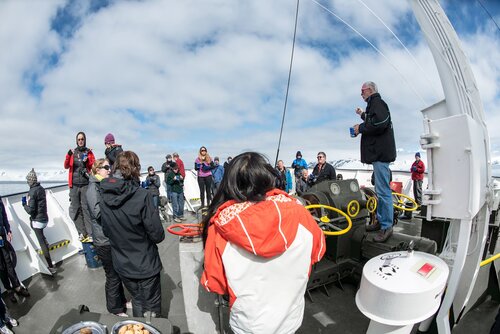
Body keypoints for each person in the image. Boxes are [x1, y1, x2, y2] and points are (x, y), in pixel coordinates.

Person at [200, 152, 326, 334]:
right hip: (291, 319)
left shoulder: (220, 227)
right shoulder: (301, 213)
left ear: (231, 183)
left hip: (248, 325)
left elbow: (214, 283)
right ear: (267, 176)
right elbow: (318, 251)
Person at [100, 151, 165, 318]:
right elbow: (157, 235)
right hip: (145, 264)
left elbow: (107, 231)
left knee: (137, 299)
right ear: (134, 169)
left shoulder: (104, 196)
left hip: (122, 264)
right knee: (151, 307)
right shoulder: (142, 195)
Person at [353, 81, 396, 243]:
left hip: (381, 155)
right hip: (378, 155)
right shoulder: (374, 105)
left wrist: (360, 128)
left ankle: (386, 226)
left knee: (384, 191)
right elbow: (374, 120)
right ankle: (381, 221)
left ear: (370, 90)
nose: (361, 93)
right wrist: (362, 115)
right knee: (380, 189)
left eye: (362, 90)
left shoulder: (378, 102)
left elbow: (379, 123)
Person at [86, 159, 128, 317]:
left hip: (111, 237)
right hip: (103, 240)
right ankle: (114, 309)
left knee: (118, 271)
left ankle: (122, 301)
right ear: (97, 170)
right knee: (112, 274)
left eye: (109, 167)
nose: (109, 170)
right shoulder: (92, 189)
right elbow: (97, 213)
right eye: (106, 167)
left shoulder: (102, 186)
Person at [23, 169, 57, 275]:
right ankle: (45, 240)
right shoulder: (41, 188)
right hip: (44, 219)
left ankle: (50, 266)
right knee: (35, 227)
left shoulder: (32, 191)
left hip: (38, 221)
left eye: (28, 180)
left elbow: (30, 211)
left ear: (30, 181)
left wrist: (24, 204)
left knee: (42, 244)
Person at [64, 131, 95, 241]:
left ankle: (90, 233)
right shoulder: (72, 152)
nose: (80, 141)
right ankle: (82, 232)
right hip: (74, 185)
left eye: (82, 139)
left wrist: (87, 162)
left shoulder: (89, 152)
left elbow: (93, 166)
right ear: (76, 141)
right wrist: (68, 155)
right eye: (79, 139)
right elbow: (66, 166)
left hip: (85, 184)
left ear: (84, 140)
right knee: (76, 209)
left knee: (86, 208)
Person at [0, 197, 29, 303]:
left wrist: (8, 230)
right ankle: (9, 290)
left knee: (8, 263)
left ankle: (17, 287)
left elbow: (3, 215)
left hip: (2, 237)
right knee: (1, 268)